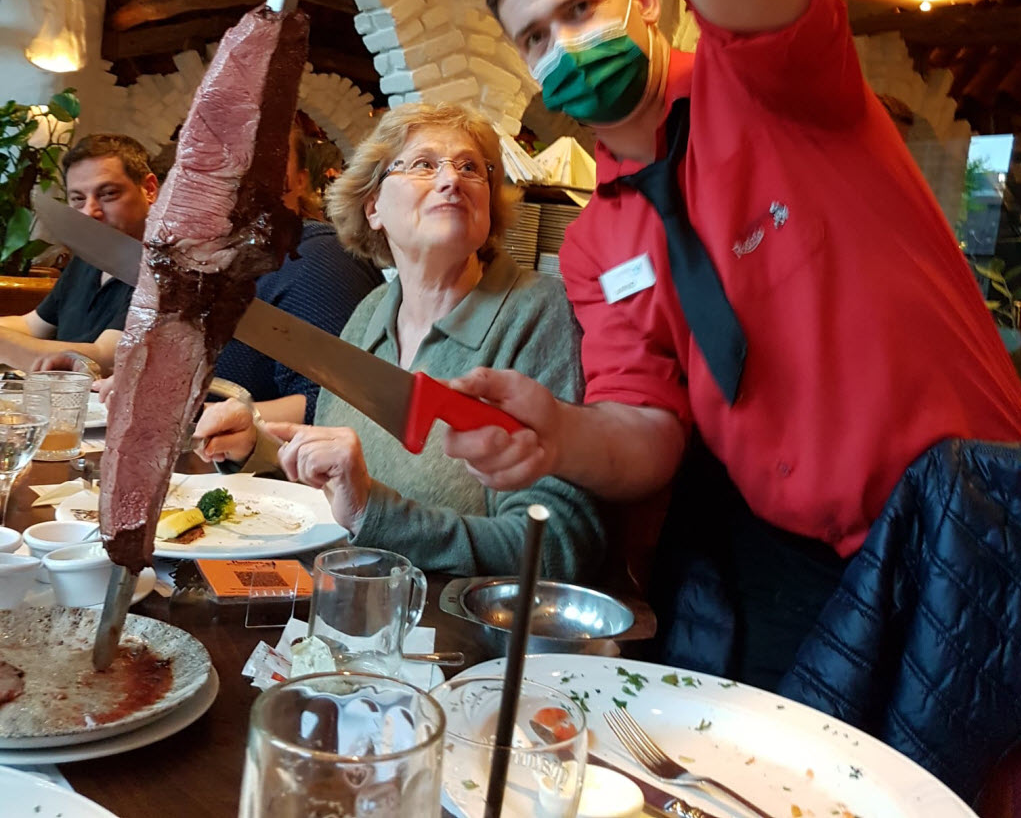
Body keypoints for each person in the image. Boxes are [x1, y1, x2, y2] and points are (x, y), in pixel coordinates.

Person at [314, 0, 1021, 686]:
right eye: (535, 38)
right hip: (787, 563)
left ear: (645, 0)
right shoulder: (600, 241)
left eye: (581, 11)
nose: (564, 48)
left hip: (969, 524)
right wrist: (556, 435)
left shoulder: (773, 84)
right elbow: (645, 434)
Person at [194, 102, 605, 580]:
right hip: (347, 600)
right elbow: (341, 479)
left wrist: (375, 512)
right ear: (373, 208)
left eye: (471, 168)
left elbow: (558, 544)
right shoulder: (370, 312)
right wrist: (258, 444)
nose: (451, 180)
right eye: (424, 164)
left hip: (449, 620)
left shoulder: (538, 313)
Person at [213, 122, 382, 424]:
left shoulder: (316, 260)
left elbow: (335, 401)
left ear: (301, 181)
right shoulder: (225, 261)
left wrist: (209, 420)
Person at [0, 134, 157, 376]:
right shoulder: (88, 257)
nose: (89, 212)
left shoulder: (163, 271)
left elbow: (105, 359)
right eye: (78, 199)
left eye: (108, 194)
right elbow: (33, 325)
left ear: (149, 189)